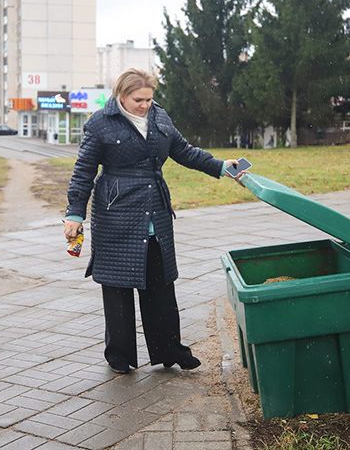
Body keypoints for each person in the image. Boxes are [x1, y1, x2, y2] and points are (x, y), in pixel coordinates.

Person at [63, 67, 244, 374]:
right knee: (117, 290)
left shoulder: (160, 116)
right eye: (138, 100)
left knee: (161, 287)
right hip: (116, 214)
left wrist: (221, 166)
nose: (145, 105)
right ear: (121, 95)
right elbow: (84, 171)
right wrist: (75, 214)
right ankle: (119, 356)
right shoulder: (100, 123)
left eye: (148, 98)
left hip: (155, 215)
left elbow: (183, 151)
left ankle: (171, 350)